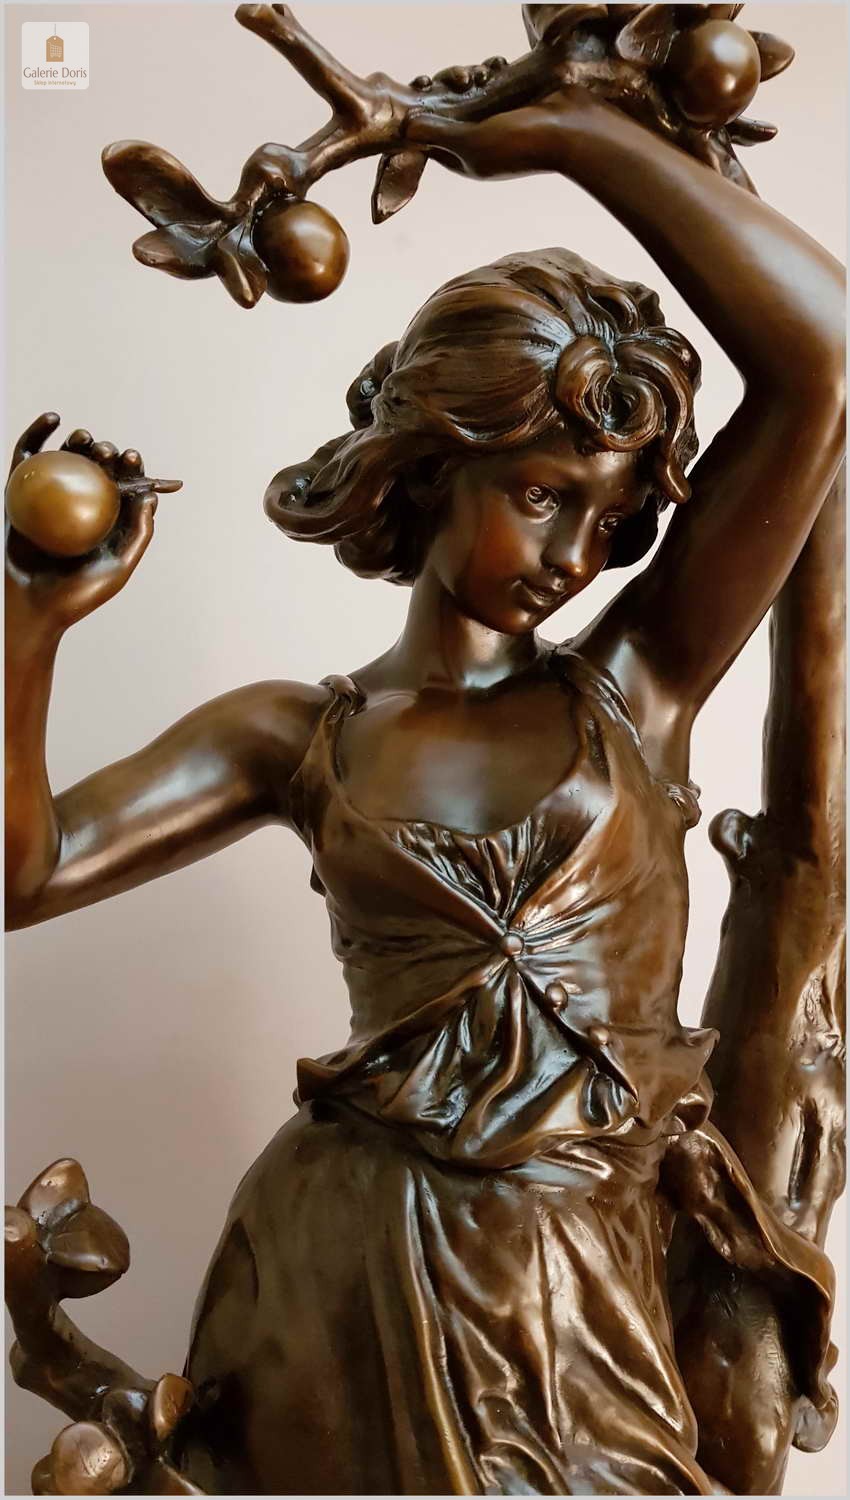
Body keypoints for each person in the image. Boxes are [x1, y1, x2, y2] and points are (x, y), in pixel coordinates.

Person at [5, 84, 844, 1496]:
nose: (575, 554)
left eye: (609, 516)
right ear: (442, 461)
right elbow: (21, 876)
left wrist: (568, 136)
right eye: (541, 494)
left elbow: (821, 357)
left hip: (584, 1278)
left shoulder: (637, 686)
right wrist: (29, 626)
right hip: (337, 1274)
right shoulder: (295, 735)